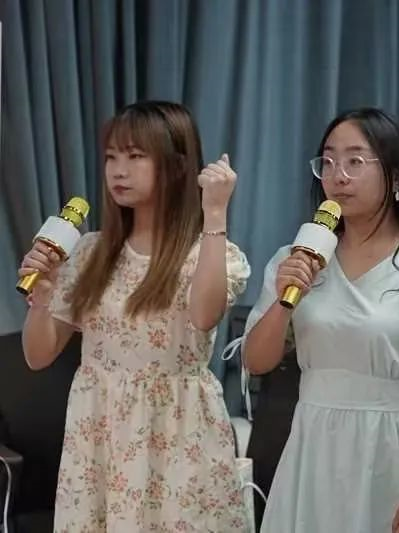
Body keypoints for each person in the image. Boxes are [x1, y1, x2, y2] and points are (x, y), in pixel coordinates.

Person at [242, 107, 399, 532]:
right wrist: (284, 301)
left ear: (397, 177)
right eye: (328, 162)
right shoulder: (298, 257)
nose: (338, 175)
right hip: (315, 450)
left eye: (355, 161)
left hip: (398, 451)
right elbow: (256, 361)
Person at [18, 101, 251, 531]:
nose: (118, 171)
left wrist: (215, 213)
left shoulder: (209, 254)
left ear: (177, 166)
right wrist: (42, 297)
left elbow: (204, 317)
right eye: (111, 157)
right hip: (99, 437)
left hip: (180, 434)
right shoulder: (90, 252)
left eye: (135, 156)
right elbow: (38, 355)